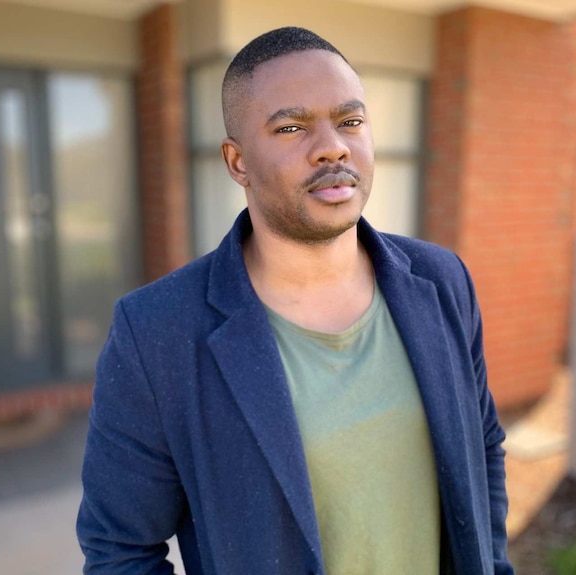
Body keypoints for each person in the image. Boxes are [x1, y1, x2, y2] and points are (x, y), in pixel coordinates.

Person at [77, 26, 513, 575]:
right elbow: (120, 551)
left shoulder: (443, 281)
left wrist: (495, 563)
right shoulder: (156, 332)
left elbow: (485, 448)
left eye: (350, 121)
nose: (333, 145)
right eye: (291, 126)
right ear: (238, 163)